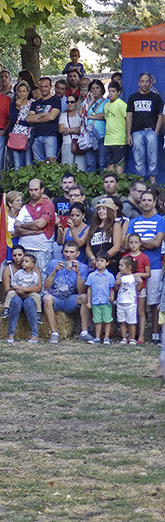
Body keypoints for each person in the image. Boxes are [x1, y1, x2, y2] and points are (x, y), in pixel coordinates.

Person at [127, 190, 165, 342]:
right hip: (135, 267)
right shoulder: (134, 221)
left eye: (150, 200)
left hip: (154, 265)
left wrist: (139, 243)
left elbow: (157, 243)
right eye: (144, 200)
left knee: (154, 301)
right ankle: (135, 332)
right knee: (136, 301)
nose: (147, 203)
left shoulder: (160, 220)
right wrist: (144, 244)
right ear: (140, 202)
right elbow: (128, 244)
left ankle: (155, 331)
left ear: (154, 202)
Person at [41, 243, 90, 343]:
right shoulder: (54, 263)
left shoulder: (83, 267)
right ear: (62, 252)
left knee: (85, 297)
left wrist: (78, 274)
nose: (68, 255)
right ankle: (54, 333)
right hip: (55, 298)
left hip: (69, 299)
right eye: (66, 251)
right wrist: (55, 271)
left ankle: (84, 332)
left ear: (77, 254)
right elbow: (46, 286)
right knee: (47, 298)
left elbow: (81, 291)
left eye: (72, 252)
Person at [125, 72, 165, 180]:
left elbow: (160, 116)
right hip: (136, 132)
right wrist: (128, 134)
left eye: (147, 81)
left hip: (150, 131)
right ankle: (141, 184)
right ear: (138, 83)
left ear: (150, 83)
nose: (144, 84)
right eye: (142, 81)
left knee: (153, 158)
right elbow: (129, 116)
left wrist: (156, 132)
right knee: (138, 158)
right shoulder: (132, 97)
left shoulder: (156, 98)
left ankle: (153, 184)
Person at [5, 252, 42, 344]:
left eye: (26, 261)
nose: (23, 263)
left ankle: (35, 331)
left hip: (29, 293)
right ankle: (11, 333)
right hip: (17, 291)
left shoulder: (34, 274)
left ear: (32, 264)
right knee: (15, 300)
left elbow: (37, 286)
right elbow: (13, 282)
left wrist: (26, 289)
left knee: (31, 301)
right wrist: (17, 288)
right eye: (23, 261)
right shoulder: (18, 273)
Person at [86, 254, 115, 344]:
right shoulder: (91, 276)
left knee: (107, 319)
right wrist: (88, 301)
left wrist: (112, 297)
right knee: (97, 320)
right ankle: (97, 337)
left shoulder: (109, 276)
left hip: (106, 301)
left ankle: (106, 337)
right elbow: (89, 289)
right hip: (95, 301)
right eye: (97, 261)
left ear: (107, 263)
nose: (99, 263)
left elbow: (111, 288)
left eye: (102, 261)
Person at [104, 82, 128, 175]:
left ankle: (120, 185)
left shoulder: (122, 104)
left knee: (119, 165)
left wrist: (127, 135)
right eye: (109, 91)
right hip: (108, 140)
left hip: (119, 139)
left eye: (113, 91)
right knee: (110, 165)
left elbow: (127, 119)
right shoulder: (106, 106)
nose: (111, 93)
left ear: (119, 92)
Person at [115, 256, 139, 344]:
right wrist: (117, 282)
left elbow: (138, 289)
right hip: (121, 302)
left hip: (130, 303)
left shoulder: (133, 277)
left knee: (131, 322)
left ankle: (132, 338)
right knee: (122, 322)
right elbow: (116, 288)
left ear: (128, 267)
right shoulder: (120, 277)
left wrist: (139, 282)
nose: (119, 267)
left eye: (121, 265)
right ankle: (124, 338)